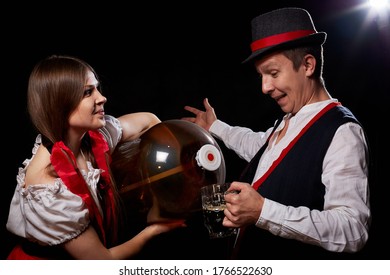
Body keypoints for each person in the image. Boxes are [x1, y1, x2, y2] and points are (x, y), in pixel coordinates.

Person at [182, 7, 371, 259]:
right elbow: (257, 146)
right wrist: (215, 127)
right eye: (261, 76)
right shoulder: (288, 121)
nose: (265, 87)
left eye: (273, 73)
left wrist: (263, 212)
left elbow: (353, 230)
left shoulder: (342, 131)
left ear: (307, 65)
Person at [6, 55, 185, 260]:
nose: (101, 98)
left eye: (97, 88)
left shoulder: (94, 139)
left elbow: (149, 120)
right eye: (88, 92)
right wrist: (155, 230)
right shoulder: (46, 183)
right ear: (60, 103)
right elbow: (102, 262)